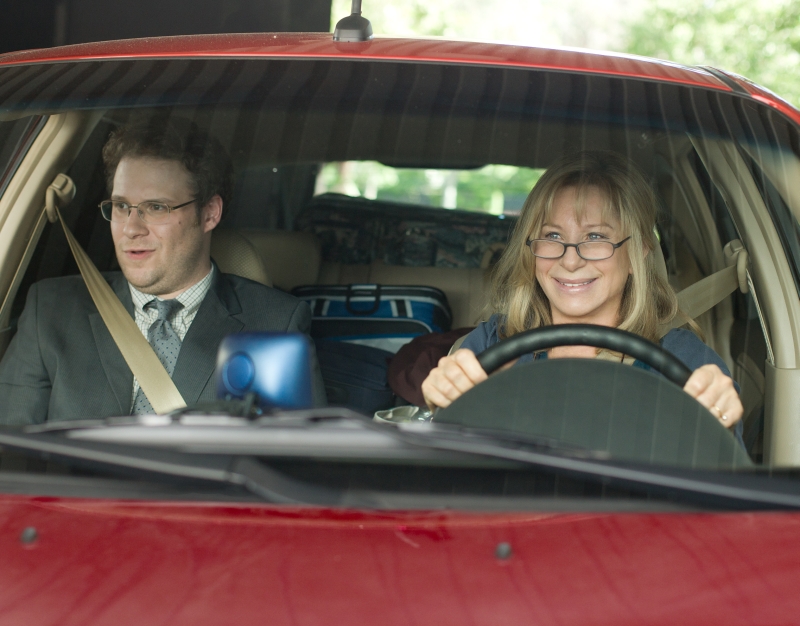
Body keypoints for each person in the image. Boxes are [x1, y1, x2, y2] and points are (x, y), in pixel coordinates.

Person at [0, 115, 324, 424]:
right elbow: (10, 446)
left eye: (156, 207)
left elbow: (292, 455)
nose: (131, 228)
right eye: (121, 206)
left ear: (210, 213)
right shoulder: (52, 310)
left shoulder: (275, 325)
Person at [421, 151, 744, 432]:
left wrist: (720, 417)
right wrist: (445, 394)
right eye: (553, 236)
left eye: (595, 237)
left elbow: (719, 470)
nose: (570, 260)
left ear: (640, 250)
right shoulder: (491, 344)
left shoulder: (684, 361)